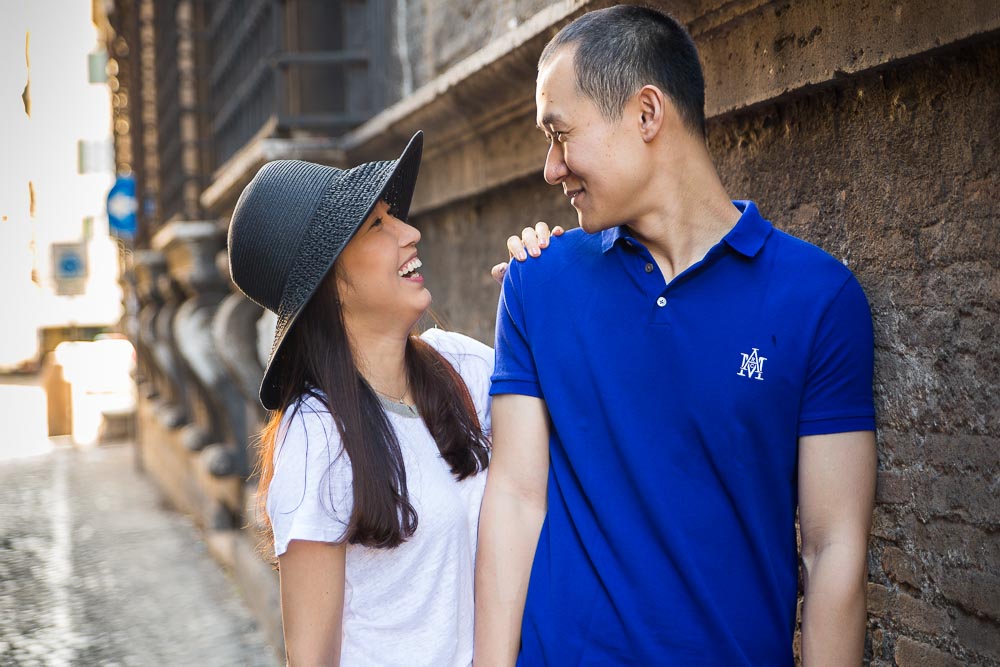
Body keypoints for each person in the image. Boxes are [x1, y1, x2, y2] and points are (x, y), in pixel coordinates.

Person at [475, 6, 877, 666]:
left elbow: (834, 549)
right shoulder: (536, 284)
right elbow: (515, 503)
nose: (551, 168)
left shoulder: (819, 298)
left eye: (561, 135)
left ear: (647, 115)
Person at [227, 132, 555, 666]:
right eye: (378, 225)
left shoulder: (459, 368)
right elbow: (312, 660)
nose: (411, 232)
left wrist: (547, 283)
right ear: (330, 283)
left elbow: (572, 409)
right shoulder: (317, 438)